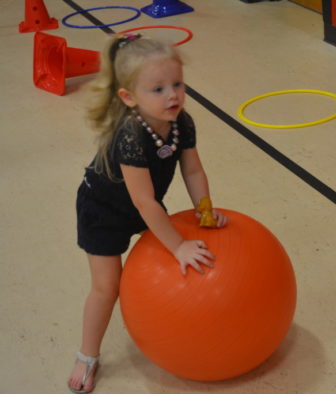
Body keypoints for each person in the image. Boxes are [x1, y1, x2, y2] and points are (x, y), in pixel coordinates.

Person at [67, 34, 228, 393]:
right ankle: (86, 355)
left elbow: (193, 171)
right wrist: (178, 246)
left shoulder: (181, 122)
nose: (172, 94)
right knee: (107, 287)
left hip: (145, 205)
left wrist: (205, 211)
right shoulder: (130, 135)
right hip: (104, 211)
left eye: (177, 84)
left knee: (173, 261)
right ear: (129, 97)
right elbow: (145, 203)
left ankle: (177, 323)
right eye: (157, 89)